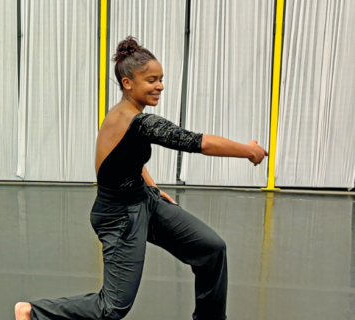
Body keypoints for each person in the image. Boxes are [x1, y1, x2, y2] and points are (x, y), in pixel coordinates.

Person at [15, 36, 267, 320]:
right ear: (127, 83)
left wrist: (154, 189)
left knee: (212, 249)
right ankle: (32, 312)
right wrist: (248, 150)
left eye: (160, 79)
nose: (159, 86)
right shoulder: (135, 121)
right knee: (112, 308)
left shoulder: (129, 116)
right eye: (151, 80)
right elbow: (196, 142)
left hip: (144, 200)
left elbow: (126, 158)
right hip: (119, 216)